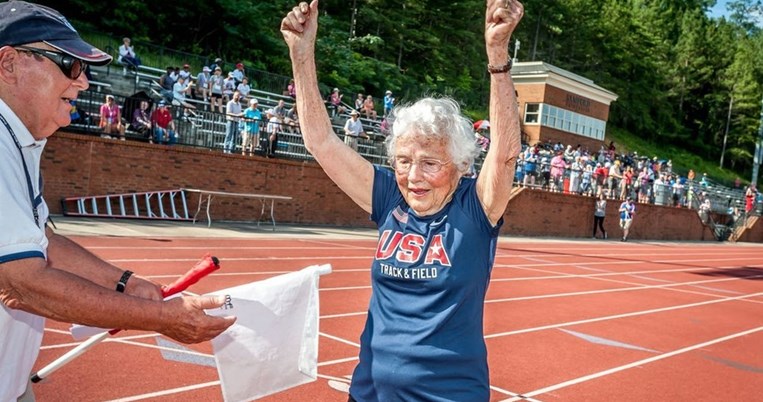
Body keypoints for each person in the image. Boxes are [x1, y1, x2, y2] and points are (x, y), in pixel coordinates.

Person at [280, 1, 523, 400]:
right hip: (370, 391)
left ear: (460, 165)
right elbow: (321, 142)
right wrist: (301, 53)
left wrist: (497, 57)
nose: (413, 176)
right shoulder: (389, 198)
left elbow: (505, 153)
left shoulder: (474, 209)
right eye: (404, 161)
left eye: (429, 163)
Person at [0, 3, 235, 401]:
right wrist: (161, 317)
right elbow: (20, 282)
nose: (84, 82)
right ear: (9, 63)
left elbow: (38, 239)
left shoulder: (20, 138)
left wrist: (126, 284)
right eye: (69, 65)